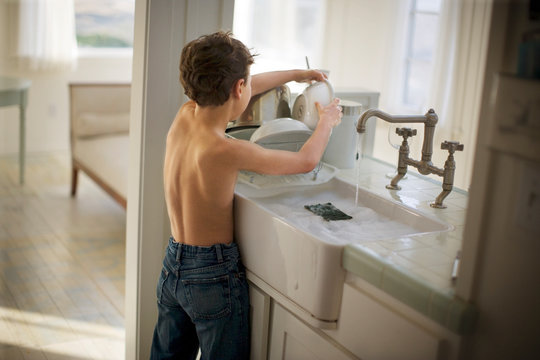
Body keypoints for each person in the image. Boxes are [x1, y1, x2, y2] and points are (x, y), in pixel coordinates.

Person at [150, 31, 342, 360]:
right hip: (211, 275)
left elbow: (249, 81)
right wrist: (327, 121)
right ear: (239, 88)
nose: (252, 87)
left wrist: (298, 74)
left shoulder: (185, 115)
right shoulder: (225, 149)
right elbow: (304, 161)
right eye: (248, 84)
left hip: (173, 267)